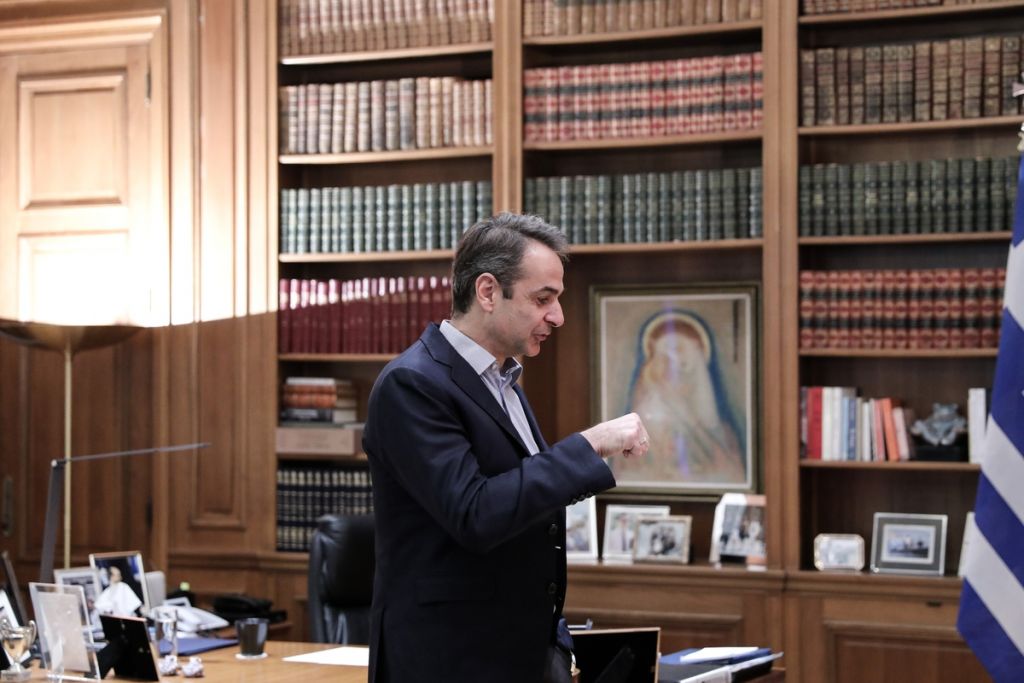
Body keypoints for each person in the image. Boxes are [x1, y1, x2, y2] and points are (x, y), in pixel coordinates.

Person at [363, 213, 649, 683]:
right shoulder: (411, 384)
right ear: (488, 292)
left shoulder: (504, 380)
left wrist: (554, 644)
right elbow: (475, 512)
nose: (558, 316)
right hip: (449, 663)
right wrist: (590, 444)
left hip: (521, 655)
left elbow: (524, 512)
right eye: (543, 299)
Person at [618, 310, 745, 485]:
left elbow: (732, 476)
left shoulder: (722, 432)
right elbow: (625, 474)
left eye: (682, 366)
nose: (670, 373)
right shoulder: (641, 424)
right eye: (662, 362)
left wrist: (688, 417)